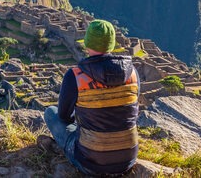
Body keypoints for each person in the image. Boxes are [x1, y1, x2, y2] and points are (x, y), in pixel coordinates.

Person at [44, 19, 140, 176]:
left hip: (91, 162)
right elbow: (133, 110)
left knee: (51, 113)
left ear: (87, 42)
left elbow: (64, 116)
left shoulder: (75, 75)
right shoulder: (132, 73)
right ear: (111, 44)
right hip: (127, 159)